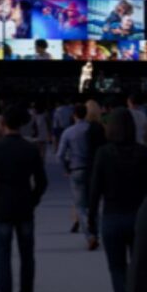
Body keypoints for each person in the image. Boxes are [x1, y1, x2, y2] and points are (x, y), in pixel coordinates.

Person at [89, 109, 147, 292]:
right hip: (140, 216)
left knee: (116, 268)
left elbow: (95, 190)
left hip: (112, 216)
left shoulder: (103, 154)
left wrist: (91, 223)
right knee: (140, 267)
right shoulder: (144, 153)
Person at [0, 106, 49, 292]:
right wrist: (34, 199)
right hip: (24, 204)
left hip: (3, 204)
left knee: (3, 256)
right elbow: (42, 181)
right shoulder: (30, 149)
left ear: (3, 125)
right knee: (27, 254)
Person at [58, 102, 96, 245]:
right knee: (93, 203)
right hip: (92, 169)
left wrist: (65, 169)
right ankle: (95, 231)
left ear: (74, 115)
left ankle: (89, 234)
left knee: (80, 206)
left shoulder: (68, 132)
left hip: (76, 169)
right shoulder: (92, 129)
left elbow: (60, 155)